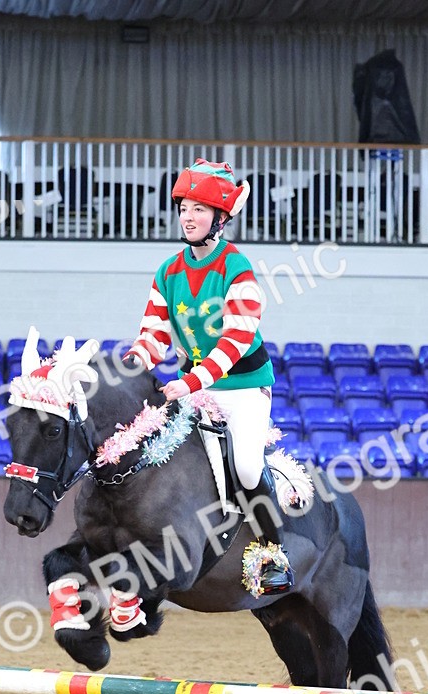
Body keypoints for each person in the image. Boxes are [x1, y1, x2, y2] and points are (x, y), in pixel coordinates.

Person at [125, 159, 293, 595]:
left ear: (220, 218)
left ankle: (273, 557)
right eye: (184, 207)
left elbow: (236, 339)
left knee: (248, 467)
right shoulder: (168, 271)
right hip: (194, 389)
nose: (188, 216)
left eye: (199, 209)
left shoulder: (238, 269)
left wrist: (193, 381)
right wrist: (132, 363)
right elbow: (153, 335)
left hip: (242, 388)